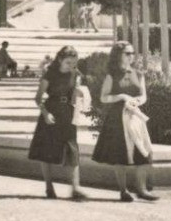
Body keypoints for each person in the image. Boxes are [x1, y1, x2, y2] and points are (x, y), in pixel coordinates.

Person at [91, 43, 157, 201]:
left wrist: (136, 102)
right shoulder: (111, 75)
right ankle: (123, 190)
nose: (131, 56)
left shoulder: (138, 73)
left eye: (133, 53)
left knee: (143, 151)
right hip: (117, 118)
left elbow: (143, 96)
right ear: (118, 55)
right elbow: (103, 97)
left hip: (134, 116)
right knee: (120, 154)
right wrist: (122, 97)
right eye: (127, 53)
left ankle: (141, 189)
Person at [28, 46, 89, 200]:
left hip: (67, 113)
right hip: (51, 112)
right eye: (68, 62)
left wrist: (80, 93)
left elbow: (76, 95)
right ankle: (49, 187)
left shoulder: (75, 74)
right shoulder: (50, 74)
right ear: (60, 60)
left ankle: (75, 188)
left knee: (72, 149)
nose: (71, 66)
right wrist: (46, 113)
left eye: (74, 63)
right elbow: (38, 98)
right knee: (46, 149)